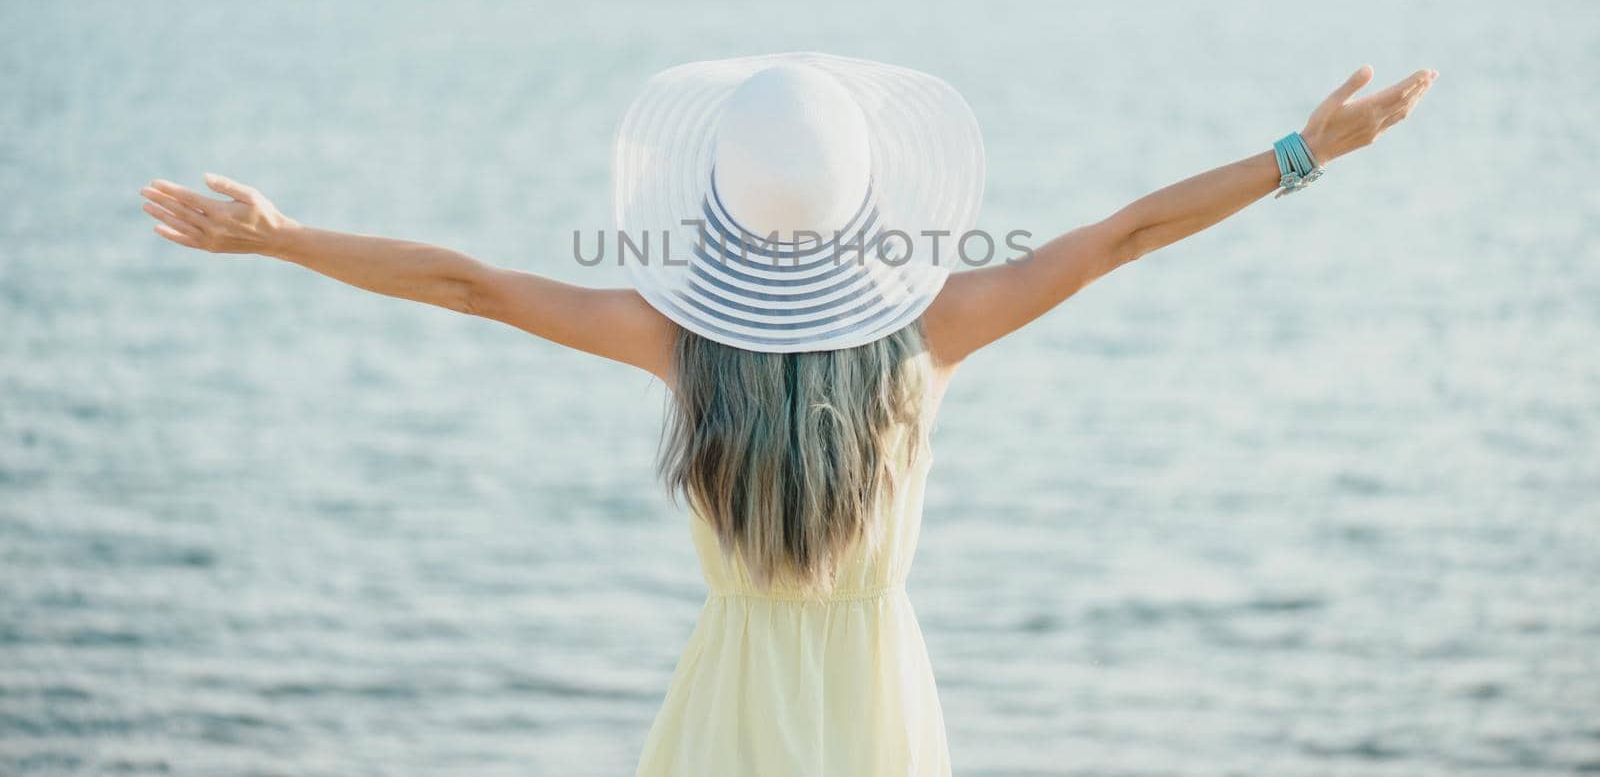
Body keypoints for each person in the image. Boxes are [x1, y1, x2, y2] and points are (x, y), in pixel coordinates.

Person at [138, 52, 1437, 775]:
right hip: (880, 705)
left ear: (719, 206)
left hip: (728, 709)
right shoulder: (935, 334)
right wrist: (1302, 154)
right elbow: (1122, 237)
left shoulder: (676, 343)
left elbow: (470, 285)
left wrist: (285, 240)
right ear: (874, 204)